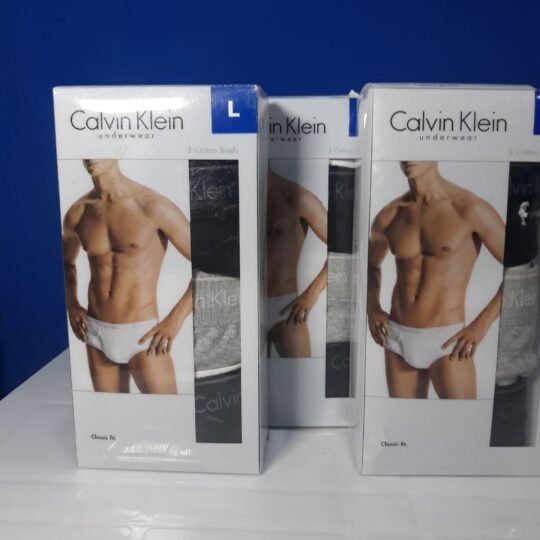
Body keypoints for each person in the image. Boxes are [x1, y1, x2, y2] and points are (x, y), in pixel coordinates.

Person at [367, 161, 505, 399]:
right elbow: (370, 265)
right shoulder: (390, 214)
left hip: (448, 340)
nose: (409, 158)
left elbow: (522, 269)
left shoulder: (470, 208)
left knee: (460, 422)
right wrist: (372, 308)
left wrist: (480, 326)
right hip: (397, 337)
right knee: (403, 421)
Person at [63, 159, 192, 394]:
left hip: (143, 336)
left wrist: (175, 320)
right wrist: (72, 304)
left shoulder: (153, 206)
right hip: (96, 334)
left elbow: (211, 264)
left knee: (166, 414)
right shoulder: (78, 211)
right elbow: (67, 263)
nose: (91, 156)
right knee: (111, 415)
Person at [266, 167, 328, 357]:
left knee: (301, 375)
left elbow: (345, 248)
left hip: (285, 307)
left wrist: (311, 294)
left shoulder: (298, 197)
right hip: (246, 306)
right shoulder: (234, 198)